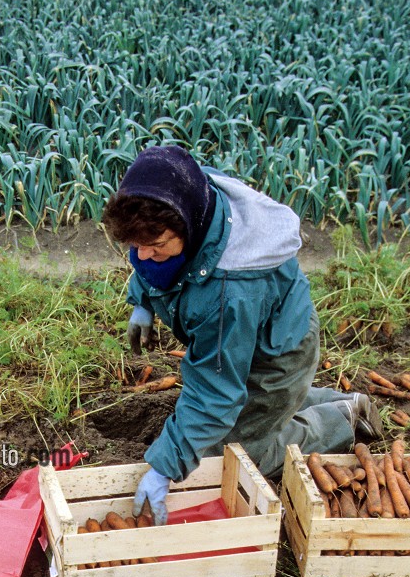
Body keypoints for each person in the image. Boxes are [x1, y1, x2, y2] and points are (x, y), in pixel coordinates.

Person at [101, 146, 378, 524]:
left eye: (157, 245)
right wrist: (143, 301)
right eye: (135, 245)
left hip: (278, 352)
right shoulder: (187, 193)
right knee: (235, 411)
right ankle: (292, 401)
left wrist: (164, 468)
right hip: (244, 333)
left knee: (235, 452)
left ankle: (344, 419)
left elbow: (215, 393)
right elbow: (152, 258)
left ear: (189, 224)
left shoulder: (229, 291)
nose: (144, 256)